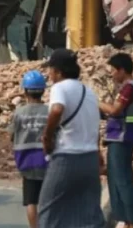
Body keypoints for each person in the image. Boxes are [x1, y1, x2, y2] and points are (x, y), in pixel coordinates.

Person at [38, 49, 102, 228]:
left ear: (58, 71)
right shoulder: (88, 91)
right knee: (89, 214)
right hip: (90, 159)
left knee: (49, 211)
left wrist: (47, 137)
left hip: (67, 158)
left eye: (50, 69)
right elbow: (94, 124)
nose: (49, 74)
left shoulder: (59, 87)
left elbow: (57, 110)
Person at [99, 53, 133, 228]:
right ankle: (127, 220)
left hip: (122, 138)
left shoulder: (129, 88)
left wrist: (98, 103)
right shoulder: (130, 87)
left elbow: (115, 110)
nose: (111, 74)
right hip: (122, 138)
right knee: (117, 180)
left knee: (122, 180)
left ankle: (132, 220)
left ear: (122, 70)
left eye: (113, 70)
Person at [10, 70, 49, 228]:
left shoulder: (19, 112)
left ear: (25, 90)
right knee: (47, 200)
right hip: (47, 161)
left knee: (31, 201)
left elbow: (12, 135)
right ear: (43, 91)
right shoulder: (49, 112)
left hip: (26, 161)